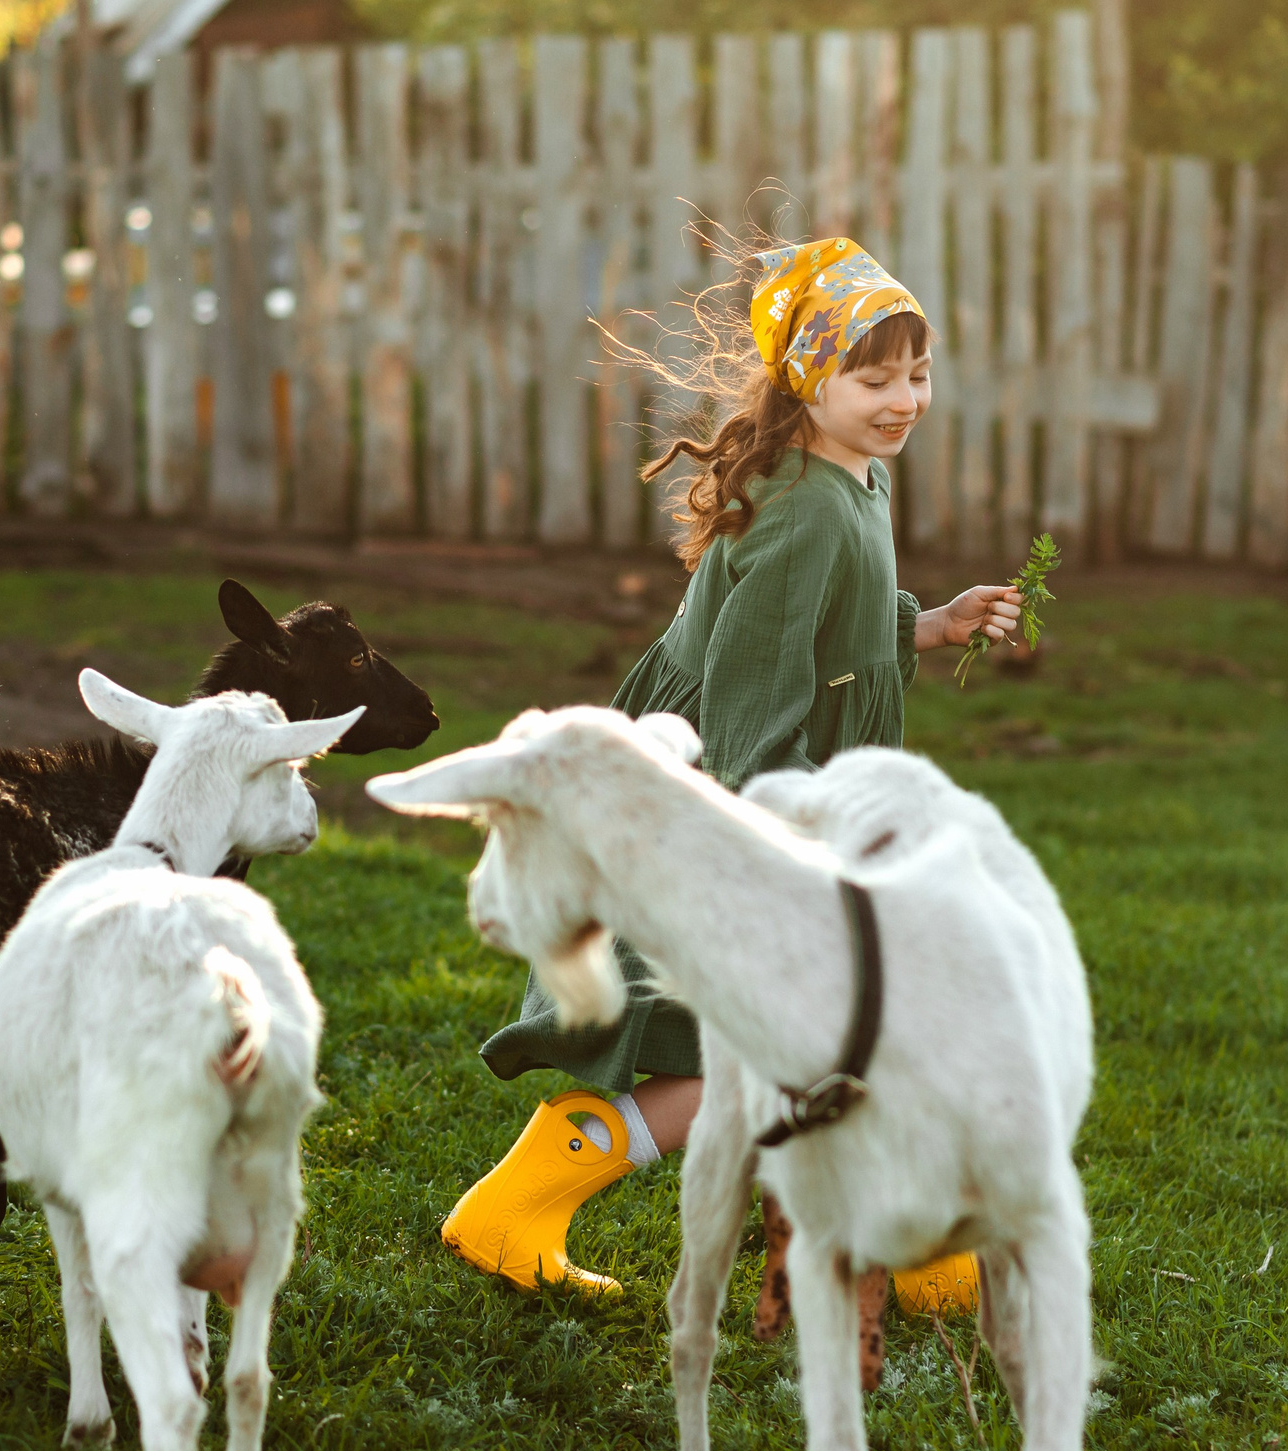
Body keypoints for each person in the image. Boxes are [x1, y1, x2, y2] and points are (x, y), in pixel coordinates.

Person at [441, 235, 1031, 1313]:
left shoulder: (851, 475)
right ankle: (520, 1205)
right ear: (809, 376)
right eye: (874, 378)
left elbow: (831, 632)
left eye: (917, 372)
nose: (905, 399)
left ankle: (891, 1234)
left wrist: (930, 623)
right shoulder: (805, 512)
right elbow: (754, 710)